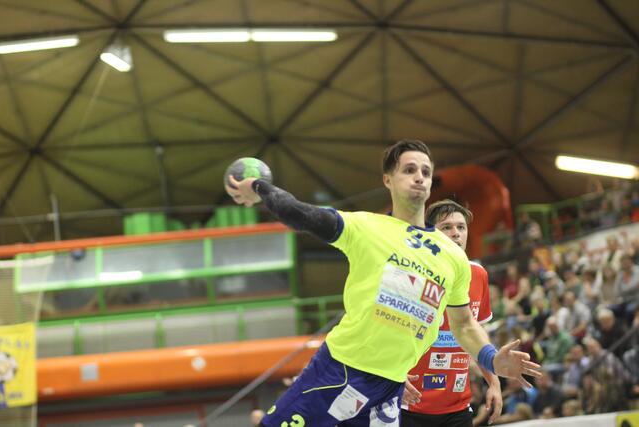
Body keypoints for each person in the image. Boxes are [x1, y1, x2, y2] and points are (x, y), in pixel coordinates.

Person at [226, 139, 541, 427]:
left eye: (426, 172)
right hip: (340, 369)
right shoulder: (364, 226)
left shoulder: (453, 257)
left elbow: (464, 325)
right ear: (388, 179)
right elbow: (301, 214)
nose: (419, 176)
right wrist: (261, 187)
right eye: (409, 169)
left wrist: (491, 358)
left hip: (390, 389)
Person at [401, 200, 503, 427]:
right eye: (446, 227)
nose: (455, 233)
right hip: (408, 405)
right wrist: (392, 375)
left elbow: (478, 335)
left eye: (461, 227)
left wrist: (494, 384)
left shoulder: (478, 274)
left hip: (458, 407)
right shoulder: (412, 273)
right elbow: (387, 329)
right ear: (430, 233)